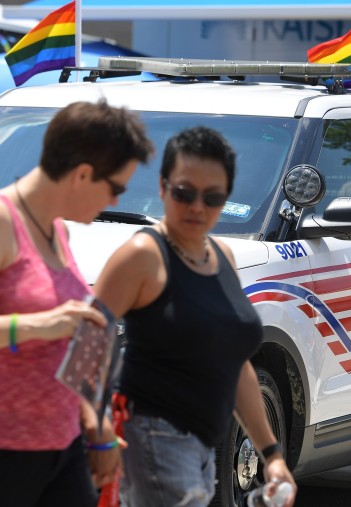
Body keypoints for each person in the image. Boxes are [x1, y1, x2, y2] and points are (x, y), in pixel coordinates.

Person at [0, 100, 154, 507]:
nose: (114, 202)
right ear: (81, 174)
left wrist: (95, 425)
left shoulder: (58, 231)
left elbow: (63, 343)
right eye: (116, 188)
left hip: (58, 450)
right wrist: (36, 325)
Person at [94, 126, 297, 507]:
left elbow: (236, 365)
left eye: (213, 197)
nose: (198, 207)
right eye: (184, 193)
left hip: (203, 446)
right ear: (162, 186)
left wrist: (272, 455)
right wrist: (98, 428)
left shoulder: (223, 256)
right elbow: (85, 344)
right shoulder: (143, 255)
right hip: (154, 438)